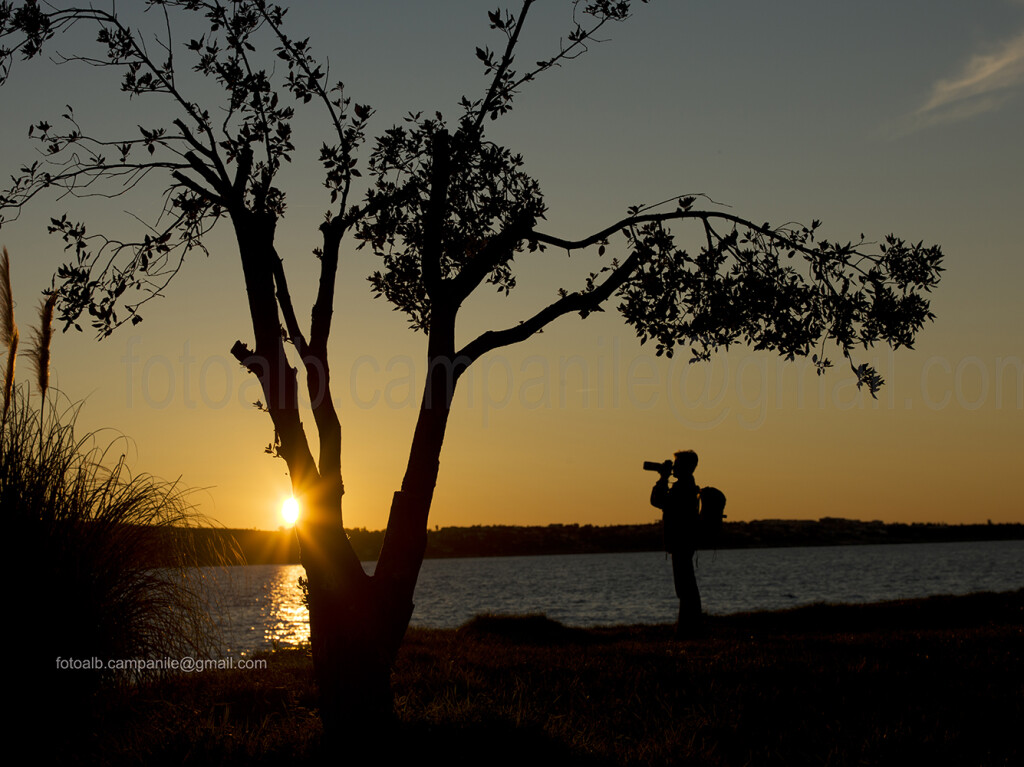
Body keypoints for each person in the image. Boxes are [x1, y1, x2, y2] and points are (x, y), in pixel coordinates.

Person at [650, 449, 702, 637]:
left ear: (687, 467)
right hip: (683, 541)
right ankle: (690, 626)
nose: (674, 468)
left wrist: (662, 479)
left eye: (677, 464)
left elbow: (657, 500)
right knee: (686, 586)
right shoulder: (686, 486)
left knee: (685, 587)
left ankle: (689, 629)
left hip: (681, 542)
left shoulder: (683, 488)